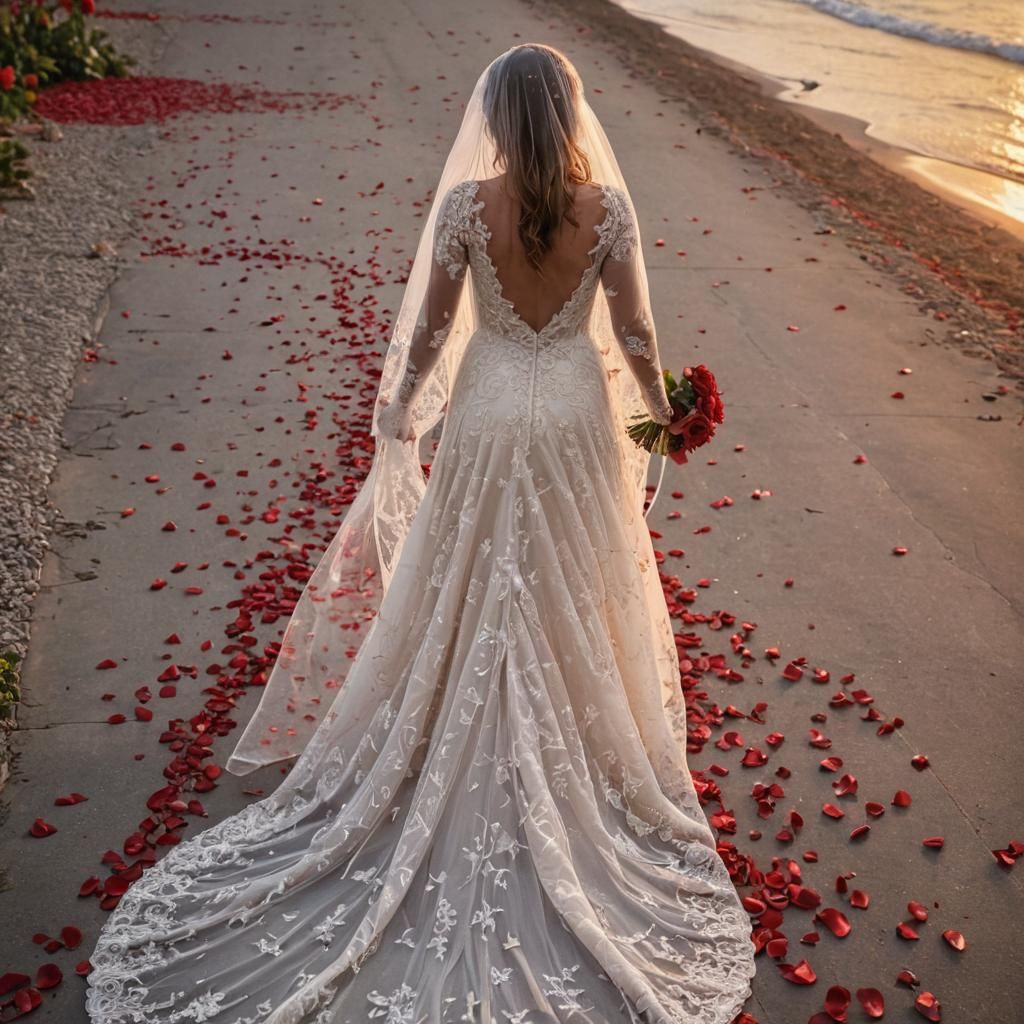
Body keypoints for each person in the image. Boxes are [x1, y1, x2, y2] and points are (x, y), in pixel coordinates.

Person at [85, 43, 756, 1024]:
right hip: (570, 411)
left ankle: (449, 718)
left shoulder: (461, 210)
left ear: (494, 114)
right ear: (568, 116)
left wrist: (399, 405)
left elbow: (437, 331)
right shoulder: (604, 211)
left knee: (470, 569)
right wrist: (665, 413)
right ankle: (578, 738)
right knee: (573, 573)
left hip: (487, 412)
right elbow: (639, 332)